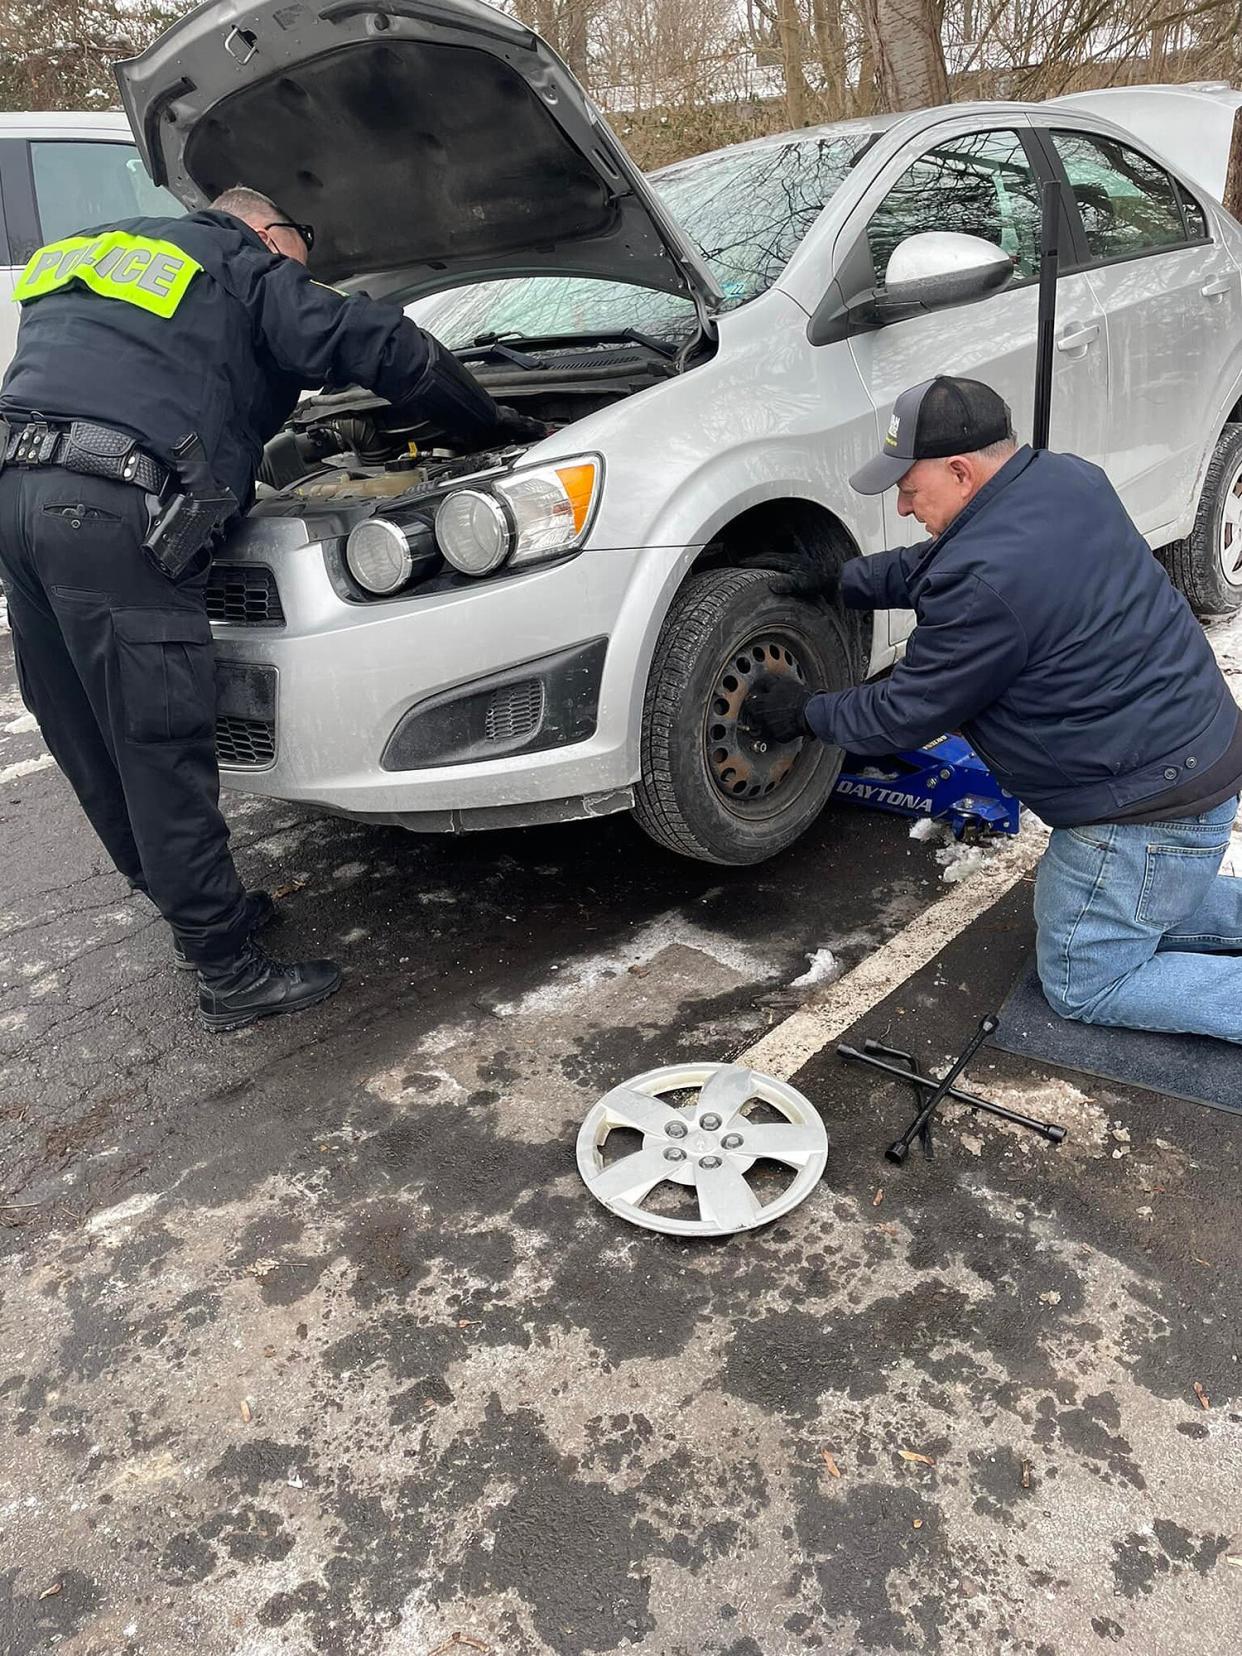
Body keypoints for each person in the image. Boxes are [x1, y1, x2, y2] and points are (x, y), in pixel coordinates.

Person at [0, 185, 543, 1032]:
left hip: (21, 497)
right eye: (304, 244)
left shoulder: (95, 250)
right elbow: (377, 340)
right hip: (109, 511)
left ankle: (197, 912)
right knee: (158, 736)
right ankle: (227, 971)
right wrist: (484, 423)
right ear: (265, 228)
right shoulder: (234, 259)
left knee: (83, 729)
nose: (308, 262)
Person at [747, 375, 1242, 1046]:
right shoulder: (1066, 481)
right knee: (1117, 904)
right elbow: (947, 563)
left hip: (1142, 812)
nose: (902, 503)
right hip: (1194, 762)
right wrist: (846, 580)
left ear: (959, 470)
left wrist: (806, 713)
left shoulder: (985, 580)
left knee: (1080, 978)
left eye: (910, 488)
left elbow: (904, 712)